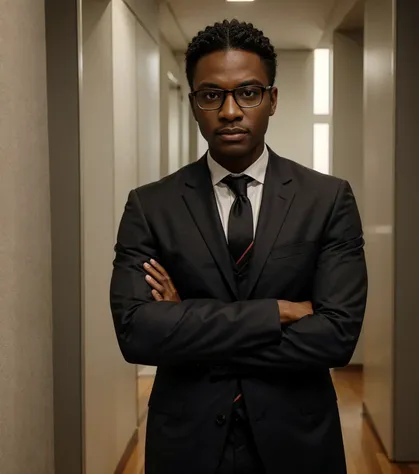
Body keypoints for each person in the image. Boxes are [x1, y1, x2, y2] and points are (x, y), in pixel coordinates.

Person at [110, 19, 367, 474]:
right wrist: (278, 312)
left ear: (271, 99)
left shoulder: (327, 199)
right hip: (187, 442)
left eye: (248, 92)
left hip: (298, 440)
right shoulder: (151, 206)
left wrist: (186, 319)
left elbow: (336, 338)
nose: (230, 110)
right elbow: (138, 333)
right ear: (193, 104)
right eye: (212, 95)